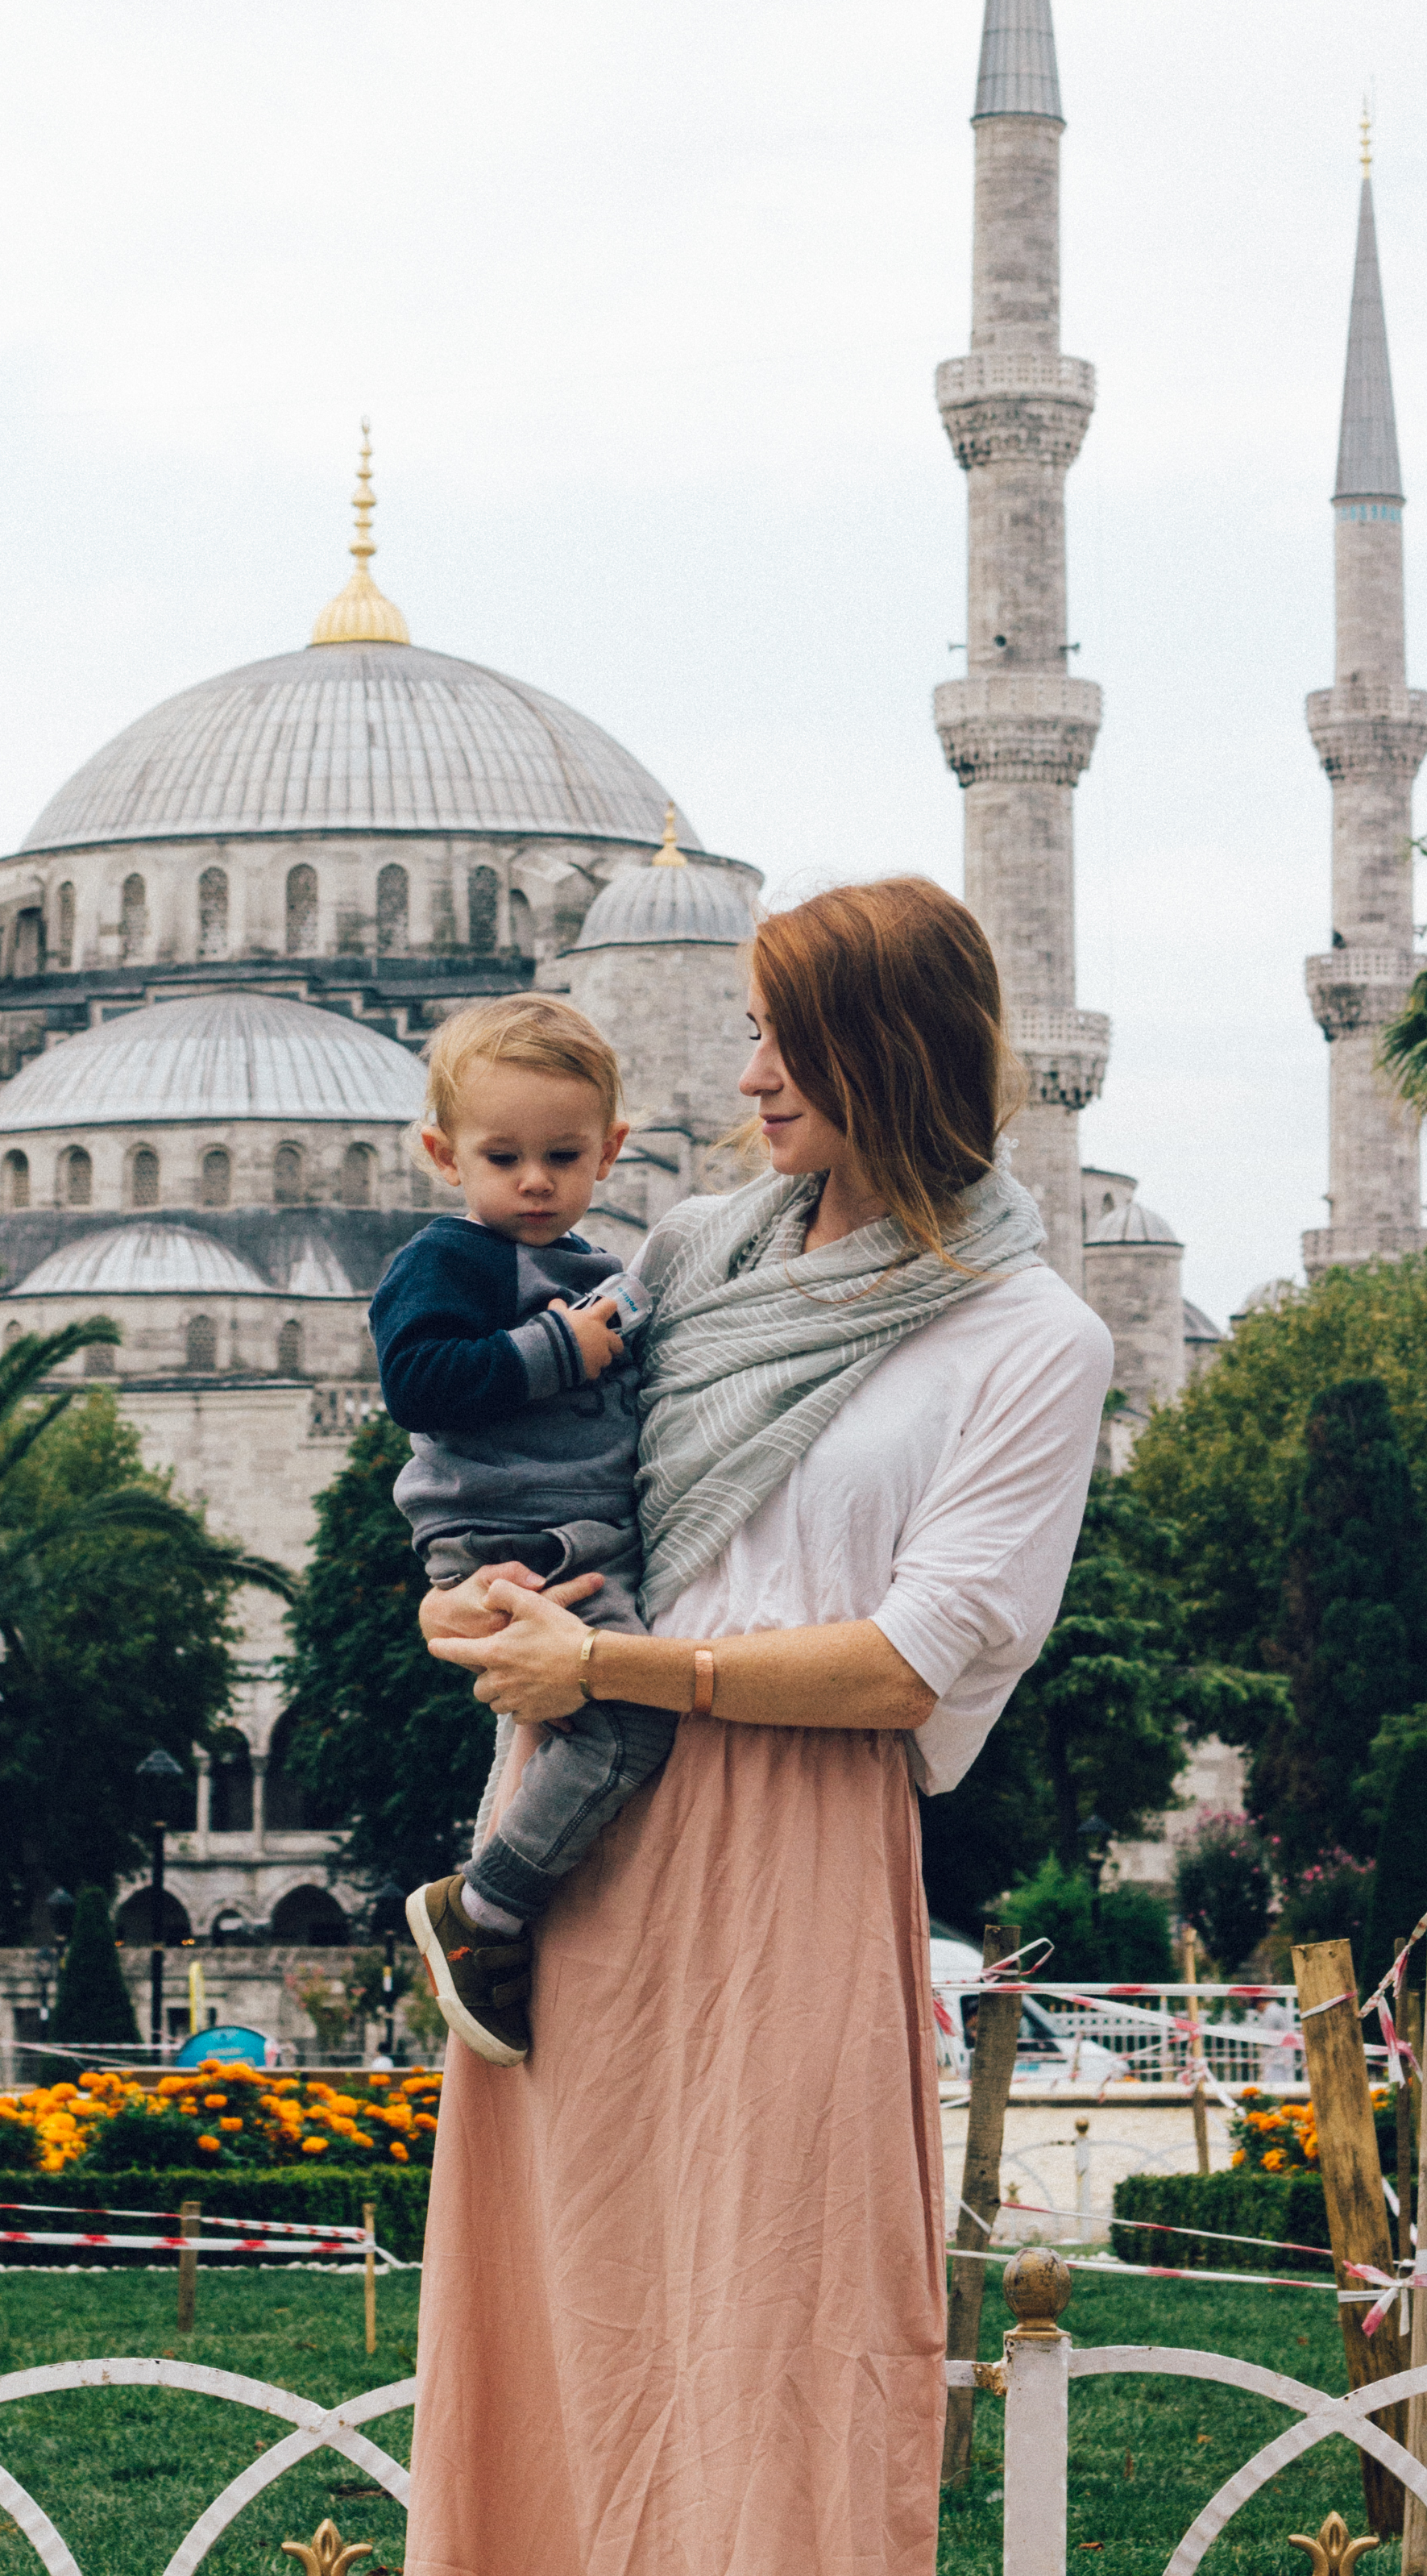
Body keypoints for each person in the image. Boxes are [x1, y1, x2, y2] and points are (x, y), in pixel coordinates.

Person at [400, 874, 1114, 2576]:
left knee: (778, 2303)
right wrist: (467, 1604)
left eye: (787, 1042)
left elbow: (907, 1665)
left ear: (888, 1054)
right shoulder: (692, 1257)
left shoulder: (1028, 1335)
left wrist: (621, 1679)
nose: (750, 1080)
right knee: (569, 2290)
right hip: (569, 1826)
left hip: (782, 1840)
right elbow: (549, 1480)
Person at [368, 995, 680, 2067]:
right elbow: (417, 1383)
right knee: (628, 1726)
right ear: (442, 1154)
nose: (535, 1182)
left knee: (621, 1717)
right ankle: (486, 1909)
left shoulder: (596, 1259)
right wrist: (560, 1351)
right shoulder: (447, 1258)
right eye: (504, 1157)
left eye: (562, 1155)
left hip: (572, 1533)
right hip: (511, 1538)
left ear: (612, 1152)